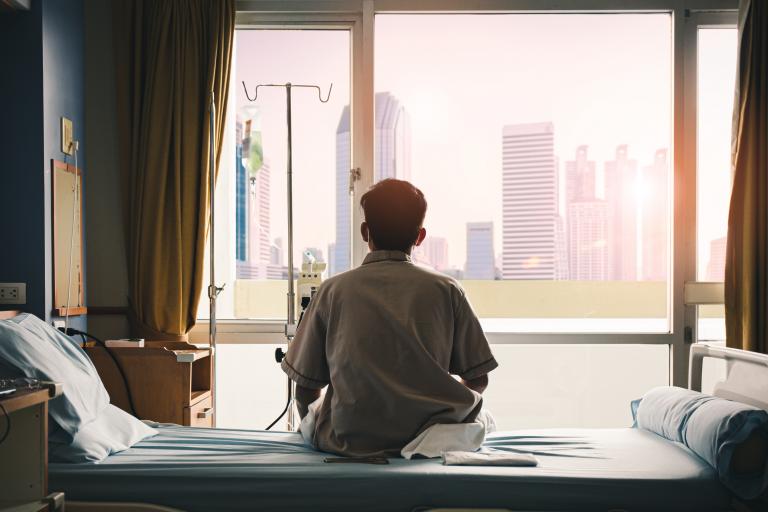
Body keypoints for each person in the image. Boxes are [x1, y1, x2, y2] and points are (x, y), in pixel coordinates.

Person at [281, 178, 498, 457]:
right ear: (420, 236)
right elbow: (478, 378)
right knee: (483, 421)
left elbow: (306, 387)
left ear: (364, 231)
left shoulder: (332, 291)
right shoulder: (447, 290)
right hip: (431, 437)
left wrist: (325, 421)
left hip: (349, 438)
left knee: (316, 416)